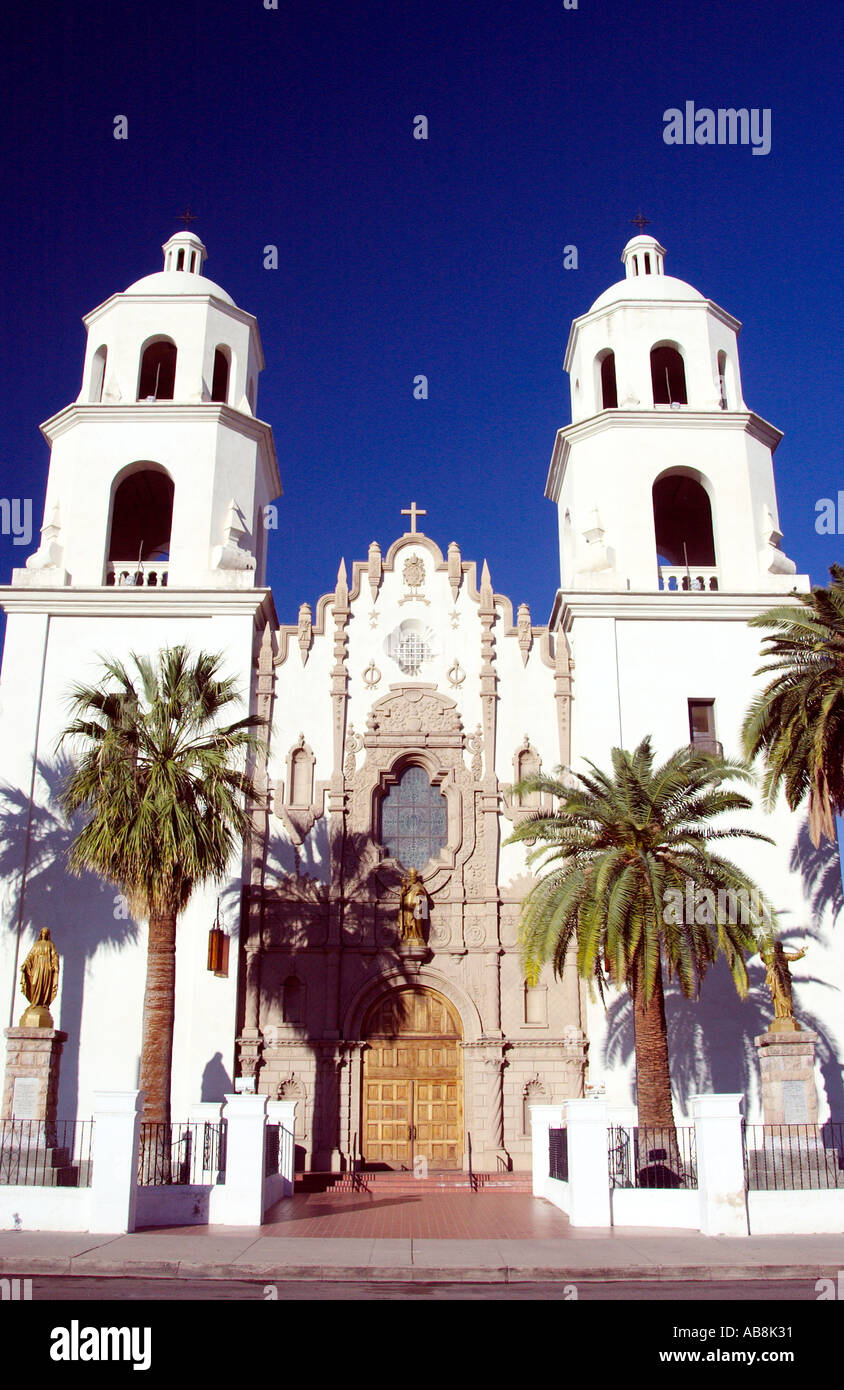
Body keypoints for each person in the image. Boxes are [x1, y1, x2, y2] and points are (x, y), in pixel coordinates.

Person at [399, 868, 428, 943]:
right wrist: (404, 887)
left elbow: (424, 898)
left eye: (414, 877)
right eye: (411, 877)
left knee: (418, 921)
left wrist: (419, 894)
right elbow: (402, 894)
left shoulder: (419, 885)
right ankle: (408, 936)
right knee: (408, 923)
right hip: (408, 908)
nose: (413, 879)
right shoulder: (407, 885)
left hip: (417, 908)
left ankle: (419, 936)